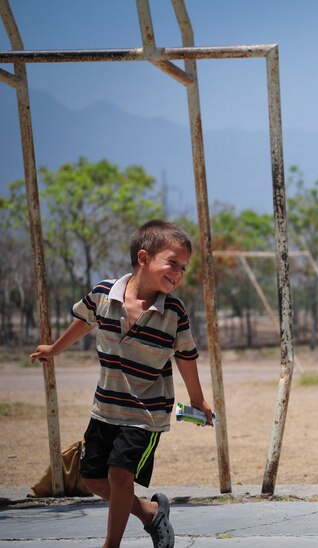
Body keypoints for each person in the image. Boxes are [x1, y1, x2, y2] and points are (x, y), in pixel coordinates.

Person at [31, 219, 212, 548]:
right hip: (105, 407)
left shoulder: (174, 312)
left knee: (119, 476)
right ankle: (150, 512)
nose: (178, 274)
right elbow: (83, 321)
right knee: (93, 478)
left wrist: (198, 399)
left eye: (183, 268)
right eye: (173, 263)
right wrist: (54, 349)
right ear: (143, 258)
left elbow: (186, 356)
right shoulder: (104, 293)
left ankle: (110, 545)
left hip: (146, 412)